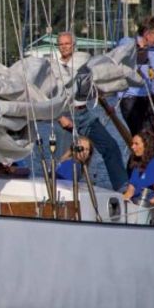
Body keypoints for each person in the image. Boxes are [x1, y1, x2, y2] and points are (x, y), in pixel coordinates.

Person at [51, 32, 128, 191]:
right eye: (61, 44)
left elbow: (92, 86)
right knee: (67, 157)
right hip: (64, 114)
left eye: (67, 43)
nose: (64, 47)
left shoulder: (83, 65)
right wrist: (59, 118)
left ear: (74, 45)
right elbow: (48, 96)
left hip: (84, 114)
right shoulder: (53, 68)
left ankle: (122, 187)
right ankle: (61, 190)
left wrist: (105, 103)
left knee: (110, 146)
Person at [118, 16, 154, 136]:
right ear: (147, 33)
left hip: (149, 97)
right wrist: (137, 47)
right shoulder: (128, 42)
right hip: (130, 97)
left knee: (153, 135)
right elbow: (123, 50)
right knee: (140, 136)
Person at [122, 131, 154, 210]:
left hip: (147, 207)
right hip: (134, 204)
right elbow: (130, 191)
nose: (132, 147)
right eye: (132, 144)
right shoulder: (137, 165)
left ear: (146, 145)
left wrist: (142, 206)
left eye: (136, 144)